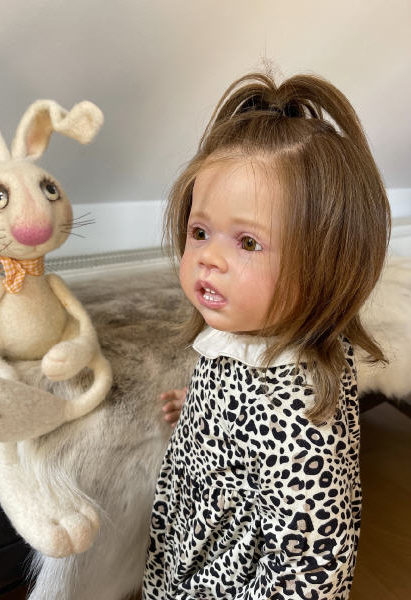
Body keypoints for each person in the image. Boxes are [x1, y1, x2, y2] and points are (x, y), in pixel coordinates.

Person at [142, 71, 390, 599]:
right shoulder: (240, 332)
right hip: (192, 534)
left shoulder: (303, 419)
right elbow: (242, 404)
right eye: (200, 232)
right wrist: (201, 409)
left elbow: (314, 566)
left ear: (327, 264)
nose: (208, 257)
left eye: (248, 242)